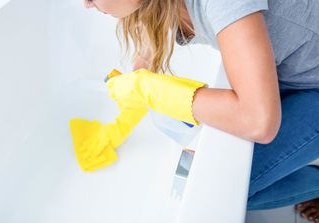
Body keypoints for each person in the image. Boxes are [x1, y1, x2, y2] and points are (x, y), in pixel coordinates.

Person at [83, 0, 319, 222]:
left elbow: (258, 121)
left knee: (222, 188)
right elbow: (147, 50)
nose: (86, 3)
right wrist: (136, 88)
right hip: (293, 69)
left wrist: (150, 89)